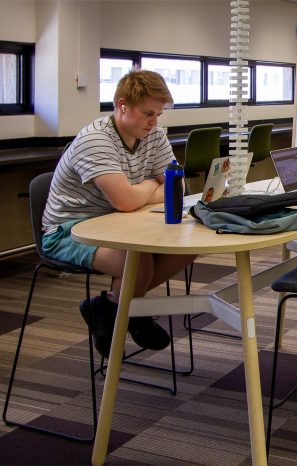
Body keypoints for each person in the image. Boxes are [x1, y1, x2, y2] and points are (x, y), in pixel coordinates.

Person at [42, 69, 197, 358]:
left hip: (119, 223)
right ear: (123, 106)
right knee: (138, 261)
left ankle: (111, 307)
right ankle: (130, 311)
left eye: (158, 115)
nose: (154, 123)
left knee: (186, 249)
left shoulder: (153, 134)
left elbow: (177, 186)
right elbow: (125, 201)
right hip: (70, 231)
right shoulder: (95, 140)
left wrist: (139, 191)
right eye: (148, 113)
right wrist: (152, 183)